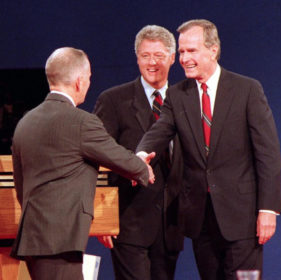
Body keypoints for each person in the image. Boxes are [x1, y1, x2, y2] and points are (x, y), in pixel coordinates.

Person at [136, 19, 281, 280]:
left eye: (191, 51)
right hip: (201, 219)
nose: (184, 58)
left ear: (213, 50)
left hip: (243, 220)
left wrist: (268, 208)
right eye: (181, 52)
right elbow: (160, 131)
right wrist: (140, 155)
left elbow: (268, 154)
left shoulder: (247, 90)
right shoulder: (178, 94)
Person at [10, 47, 154, 280]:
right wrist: (141, 166)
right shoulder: (81, 122)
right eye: (88, 79)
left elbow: (20, 186)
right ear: (79, 82)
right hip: (61, 241)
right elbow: (117, 157)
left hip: (34, 238)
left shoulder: (26, 122)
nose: (88, 84)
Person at [93, 25, 184, 280]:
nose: (152, 63)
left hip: (170, 227)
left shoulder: (185, 101)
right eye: (145, 56)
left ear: (172, 58)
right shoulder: (113, 101)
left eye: (159, 55)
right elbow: (94, 159)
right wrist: (102, 218)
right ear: (137, 58)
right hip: (128, 223)